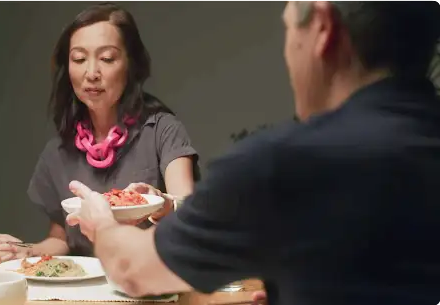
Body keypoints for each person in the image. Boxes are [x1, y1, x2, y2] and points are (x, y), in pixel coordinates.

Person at [65, 1, 440, 305]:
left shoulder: (284, 164)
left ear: (323, 28)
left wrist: (103, 223)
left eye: (290, 27)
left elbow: (133, 269)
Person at [0, 2, 200, 265]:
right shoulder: (58, 151)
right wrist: (26, 252)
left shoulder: (163, 130)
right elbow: (62, 238)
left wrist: (162, 205)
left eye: (107, 59)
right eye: (79, 59)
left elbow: (189, 214)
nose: (91, 73)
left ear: (131, 66)